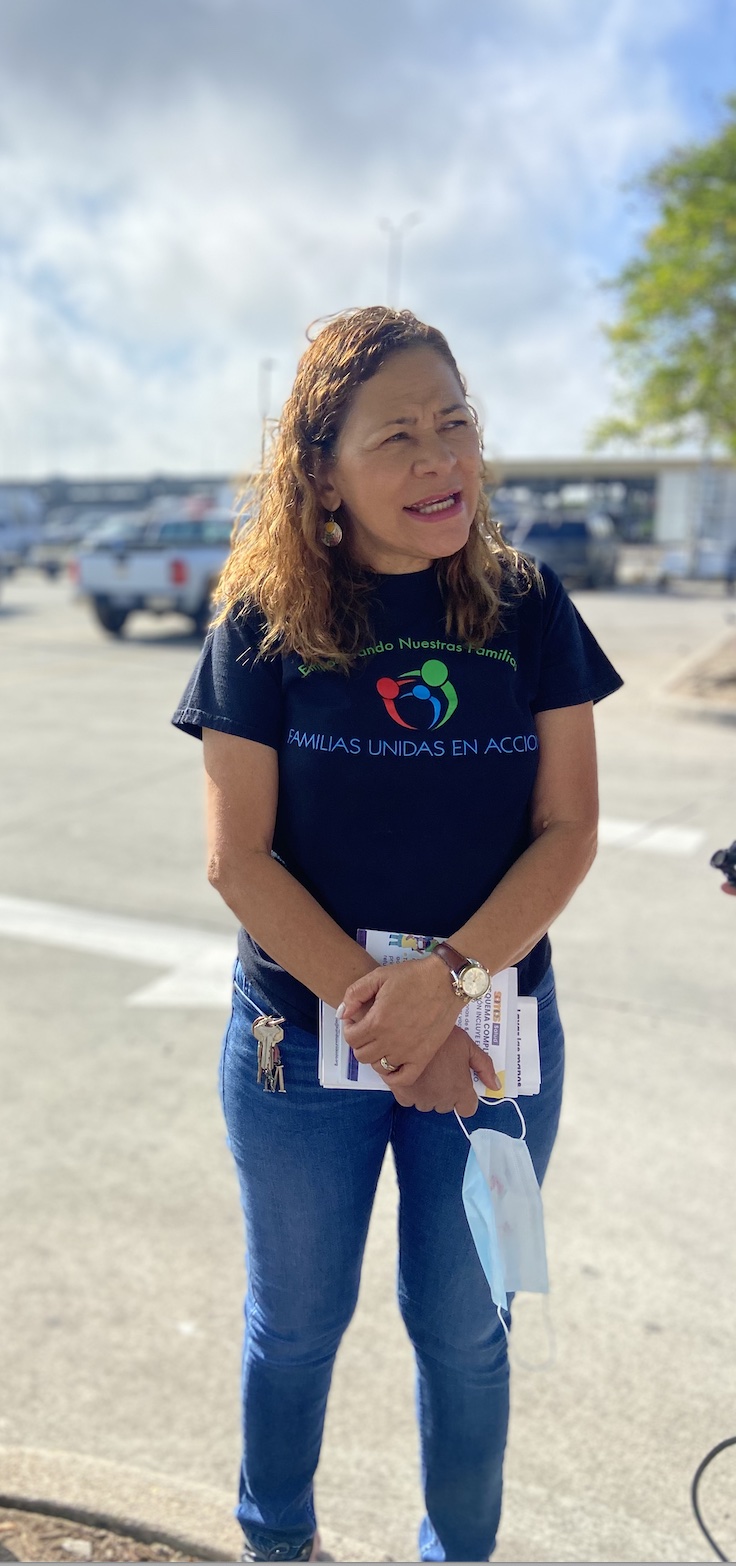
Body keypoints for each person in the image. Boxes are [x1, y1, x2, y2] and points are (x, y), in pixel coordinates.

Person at [172, 306, 623, 1563]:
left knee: (467, 1326)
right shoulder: (261, 623)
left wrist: (447, 986)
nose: (440, 460)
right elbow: (237, 857)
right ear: (319, 472)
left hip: (488, 1034)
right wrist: (391, 1017)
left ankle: (456, 1554)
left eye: (456, 424)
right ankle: (277, 1543)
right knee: (296, 1321)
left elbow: (568, 830)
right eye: (399, 436)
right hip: (298, 1040)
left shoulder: (529, 609)